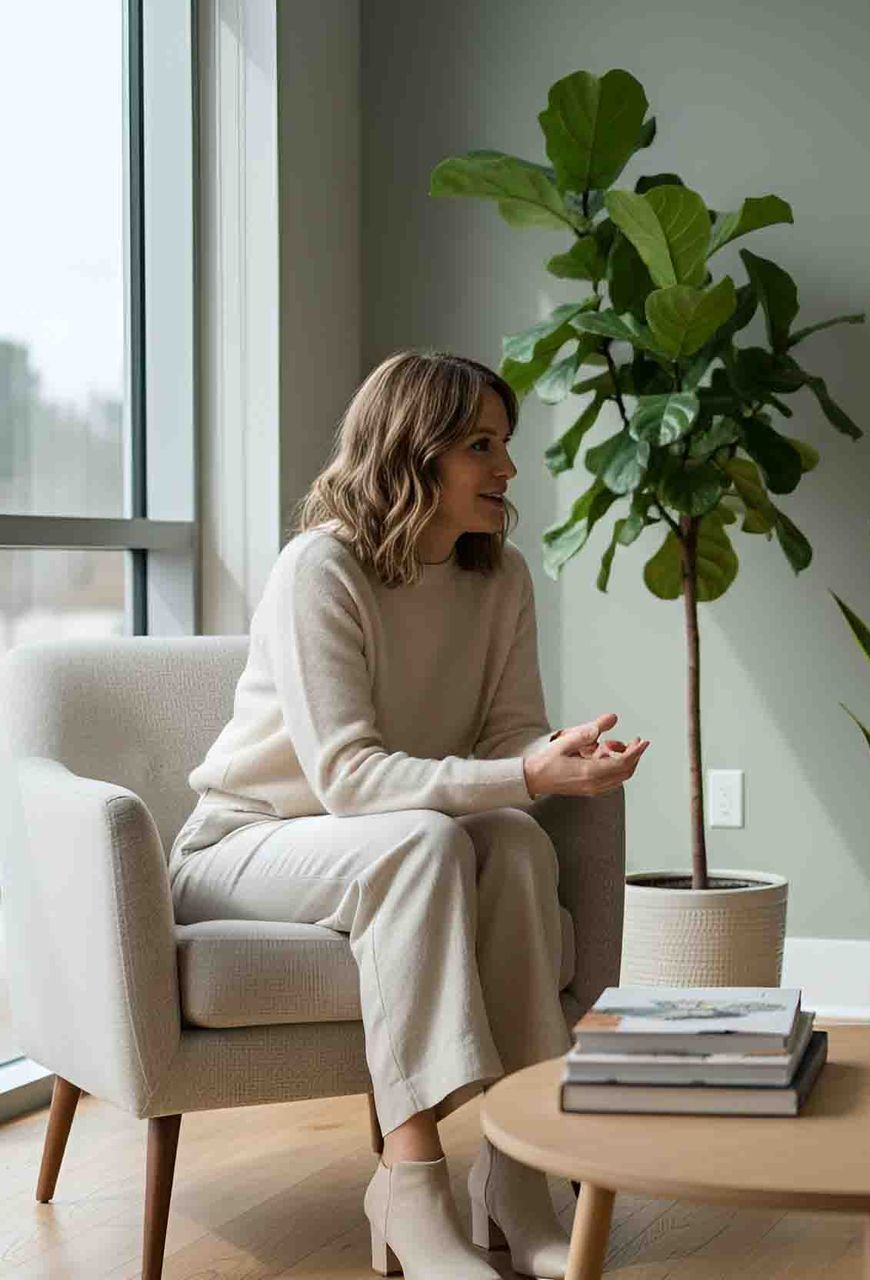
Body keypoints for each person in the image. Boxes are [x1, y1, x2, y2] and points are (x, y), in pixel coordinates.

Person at [169, 351, 649, 1280]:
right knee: (424, 844)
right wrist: (523, 770)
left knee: (511, 842)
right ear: (410, 449)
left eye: (504, 444)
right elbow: (347, 779)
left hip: (387, 843)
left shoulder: (498, 577)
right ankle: (411, 1179)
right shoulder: (322, 568)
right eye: (480, 445)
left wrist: (556, 764)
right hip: (245, 844)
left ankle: (519, 1180)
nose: (507, 469)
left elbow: (510, 738)